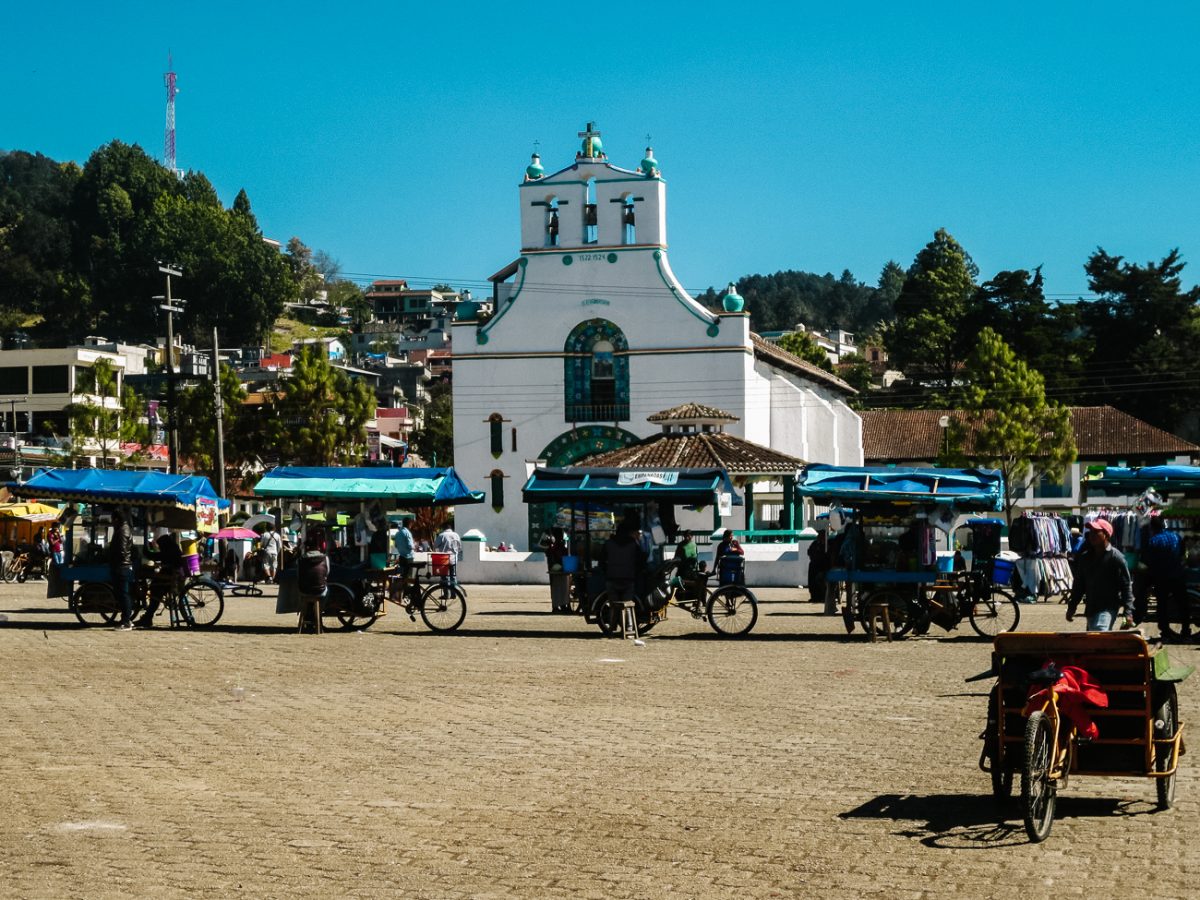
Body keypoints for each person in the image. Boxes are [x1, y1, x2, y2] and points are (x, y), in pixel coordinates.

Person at [1066, 519, 1135, 632]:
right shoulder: (1085, 558)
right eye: (1090, 532)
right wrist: (1072, 606)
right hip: (1091, 608)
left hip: (1108, 608)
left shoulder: (1116, 558)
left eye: (1096, 532)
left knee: (1099, 636)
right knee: (1095, 642)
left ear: (1106, 535)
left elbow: (1126, 586)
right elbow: (1079, 585)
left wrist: (1128, 613)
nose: (1091, 535)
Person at [1143, 516, 1190, 641]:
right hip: (1177, 575)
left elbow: (1150, 561)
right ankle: (1186, 631)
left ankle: (1166, 633)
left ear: (1152, 527)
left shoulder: (1153, 541)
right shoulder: (1176, 536)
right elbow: (1182, 553)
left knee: (1162, 606)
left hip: (1161, 578)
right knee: (1183, 604)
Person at [137, 531, 184, 628]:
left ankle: (147, 617)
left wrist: (144, 550)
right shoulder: (173, 549)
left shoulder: (169, 552)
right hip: (171, 576)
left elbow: (154, 556)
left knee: (155, 591)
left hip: (169, 580)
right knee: (155, 589)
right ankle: (147, 616)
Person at [603, 522, 645, 610]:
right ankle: (628, 623)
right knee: (627, 607)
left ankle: (613, 622)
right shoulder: (633, 544)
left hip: (612, 578)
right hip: (628, 579)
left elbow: (601, 562)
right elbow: (640, 561)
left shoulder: (608, 543)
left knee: (613, 607)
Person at [297, 529, 330, 633]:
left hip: (304, 590)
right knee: (328, 592)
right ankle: (318, 614)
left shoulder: (301, 559)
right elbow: (327, 572)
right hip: (320, 590)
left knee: (301, 593)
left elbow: (298, 575)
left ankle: (308, 616)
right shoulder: (325, 558)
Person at [109, 509, 135, 630]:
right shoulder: (125, 529)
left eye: (112, 520)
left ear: (116, 519)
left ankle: (126, 621)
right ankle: (126, 619)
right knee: (124, 594)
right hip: (124, 566)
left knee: (123, 594)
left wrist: (111, 557)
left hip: (121, 566)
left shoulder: (122, 531)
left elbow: (121, 550)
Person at [434, 520, 463, 596]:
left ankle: (446, 594)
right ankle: (454, 594)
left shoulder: (442, 535)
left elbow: (435, 546)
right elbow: (460, 548)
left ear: (444, 528)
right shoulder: (456, 535)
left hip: (444, 559)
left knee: (444, 577)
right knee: (453, 576)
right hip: (453, 559)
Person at [393, 515, 415, 585]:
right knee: (408, 577)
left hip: (401, 557)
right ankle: (407, 592)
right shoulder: (407, 533)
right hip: (408, 558)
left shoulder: (398, 533)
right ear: (409, 524)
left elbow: (396, 545)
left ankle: (402, 592)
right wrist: (415, 546)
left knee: (402, 577)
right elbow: (410, 546)